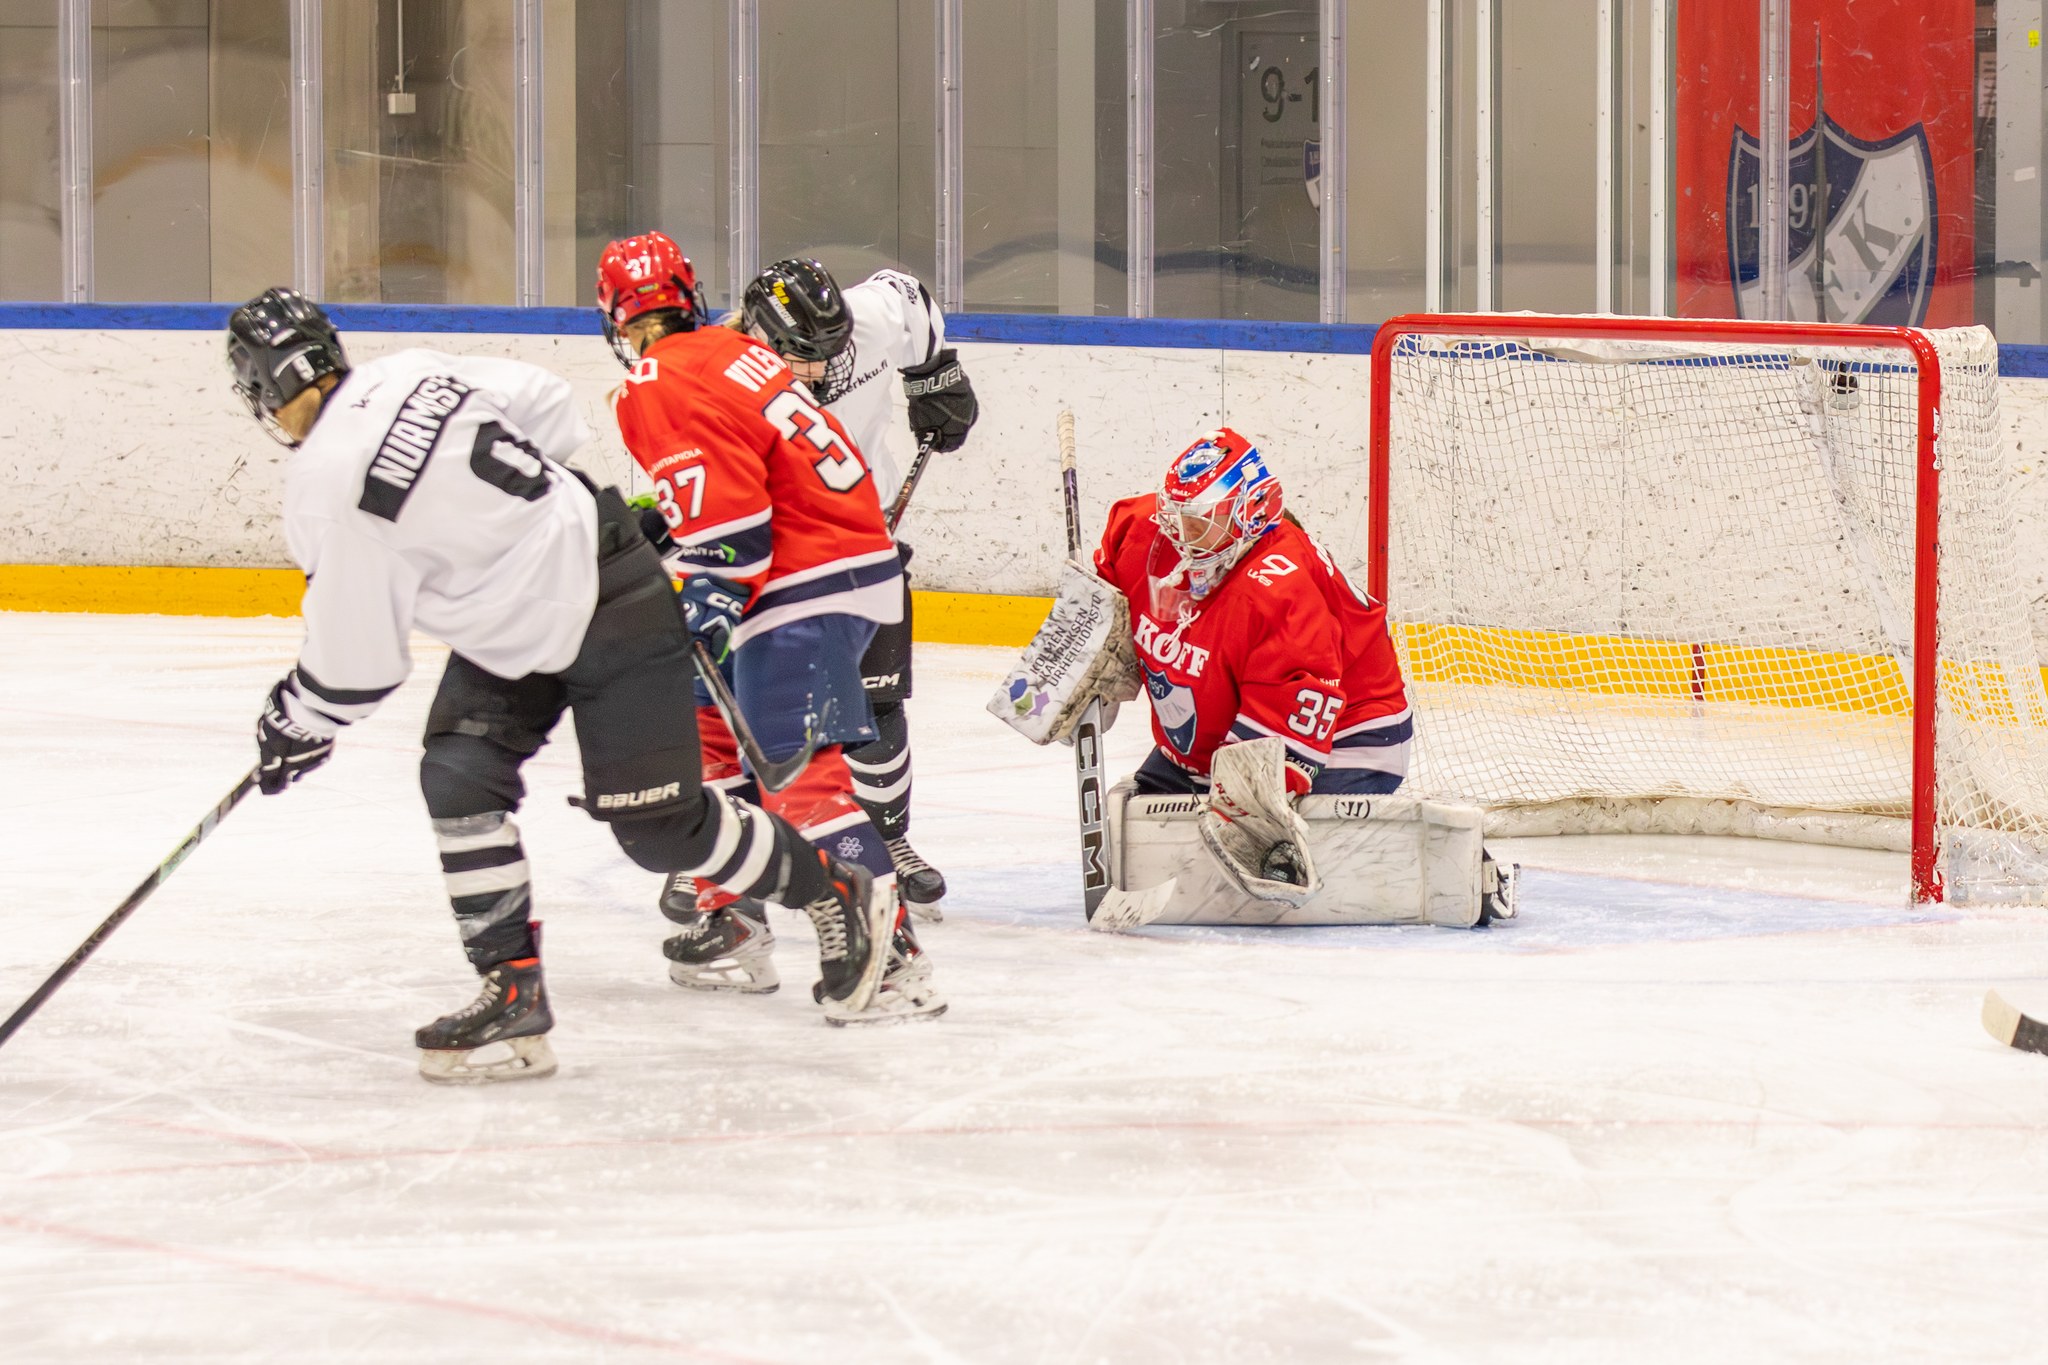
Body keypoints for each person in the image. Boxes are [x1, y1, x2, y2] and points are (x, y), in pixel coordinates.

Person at [227, 287, 903, 1084]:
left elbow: (357, 663)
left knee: (658, 827)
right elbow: (548, 402)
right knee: (458, 774)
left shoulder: (320, 484)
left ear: (263, 391)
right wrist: (513, 512)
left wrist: (296, 719)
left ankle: (833, 890)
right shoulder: (410, 370)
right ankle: (511, 988)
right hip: (573, 583)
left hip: (604, 609)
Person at [598, 233, 944, 1021]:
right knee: (707, 733)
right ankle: (730, 914)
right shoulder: (732, 352)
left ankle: (892, 960)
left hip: (799, 578)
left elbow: (735, 534)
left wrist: (700, 606)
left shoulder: (654, 379)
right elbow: (736, 483)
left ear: (617, 320)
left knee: (799, 774)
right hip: (832, 558)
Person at [735, 258, 979, 919]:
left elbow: (907, 293)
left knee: (878, 701)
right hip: (776, 556)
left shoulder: (869, 318)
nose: (821, 369)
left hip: (865, 535)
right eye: (802, 357)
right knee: (748, 714)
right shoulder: (727, 380)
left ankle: (889, 838)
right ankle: (726, 851)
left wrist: (935, 375)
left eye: (830, 350)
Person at [1093, 427, 1411, 800]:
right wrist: (1081, 658)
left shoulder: (1280, 590)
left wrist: (1240, 797)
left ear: (1250, 513)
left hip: (1350, 735)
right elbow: (1101, 599)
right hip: (1224, 729)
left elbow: (1294, 702)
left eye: (1200, 521)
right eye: (1175, 514)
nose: (1181, 534)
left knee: (1255, 825)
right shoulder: (1142, 531)